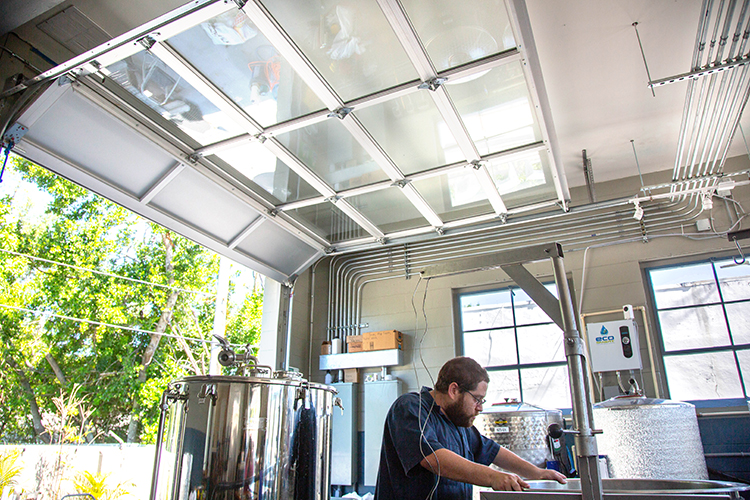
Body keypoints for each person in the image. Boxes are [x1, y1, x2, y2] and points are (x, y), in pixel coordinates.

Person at [374, 356, 567, 500]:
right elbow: (433, 458)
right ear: (454, 390)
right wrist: (493, 477)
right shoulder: (410, 408)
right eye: (477, 399)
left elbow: (493, 450)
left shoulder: (458, 422)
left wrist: (537, 473)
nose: (480, 407)